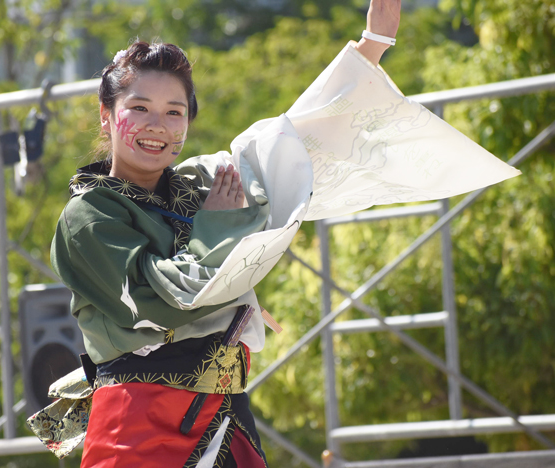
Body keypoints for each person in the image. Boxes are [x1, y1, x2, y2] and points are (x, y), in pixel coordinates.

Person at [35, 2, 402, 467]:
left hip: (228, 415)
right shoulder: (88, 214)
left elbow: (291, 147)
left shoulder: (202, 182)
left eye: (175, 111)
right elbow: (161, 303)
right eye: (139, 108)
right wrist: (218, 230)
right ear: (107, 116)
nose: (158, 126)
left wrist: (372, 46)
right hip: (141, 425)